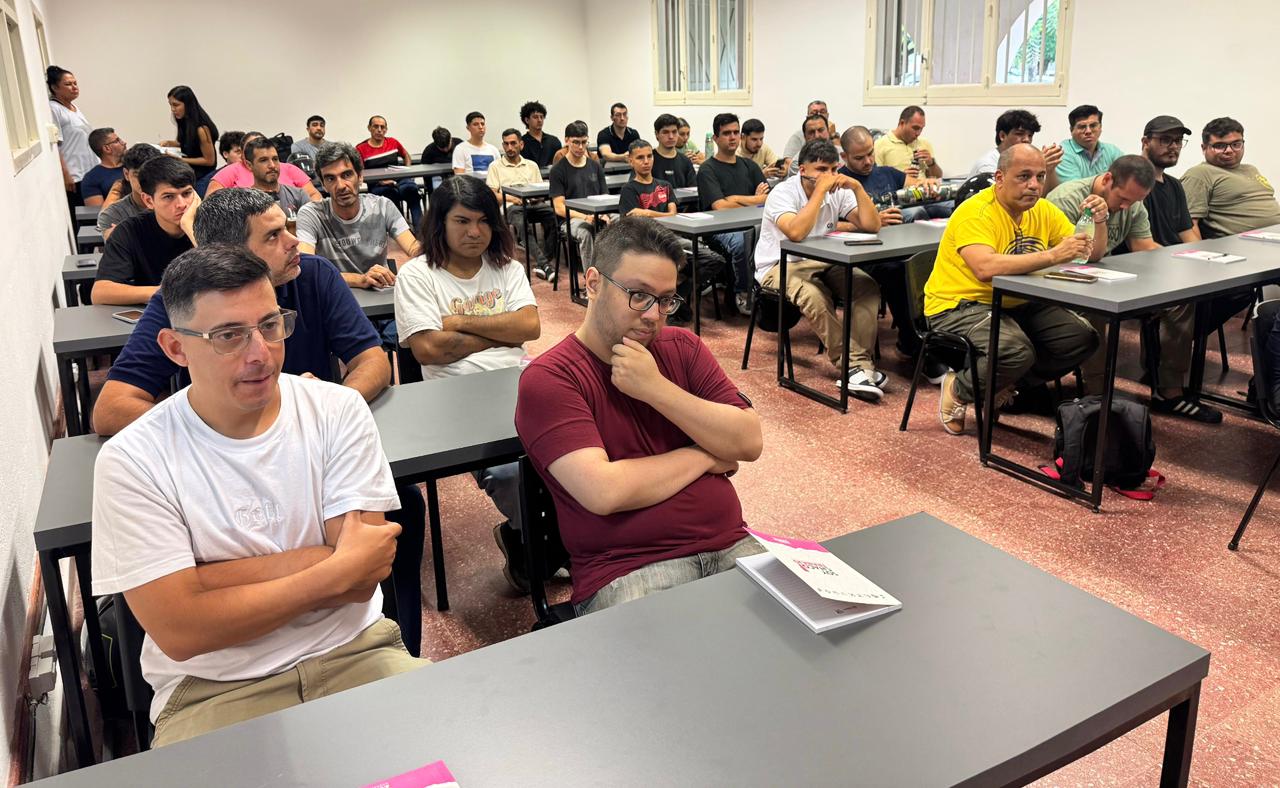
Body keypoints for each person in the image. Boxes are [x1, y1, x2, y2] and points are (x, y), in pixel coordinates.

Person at [91, 243, 424, 746]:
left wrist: (204, 581)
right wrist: (333, 566)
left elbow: (363, 578)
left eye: (270, 325)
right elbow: (182, 632)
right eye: (229, 336)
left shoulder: (337, 410)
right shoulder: (134, 459)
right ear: (175, 347)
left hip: (356, 652)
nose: (260, 353)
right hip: (213, 690)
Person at [515, 217, 764, 615]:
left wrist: (656, 389)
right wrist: (705, 455)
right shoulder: (551, 378)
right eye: (639, 295)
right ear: (593, 283)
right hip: (630, 571)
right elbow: (604, 491)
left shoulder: (683, 348)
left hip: (733, 545)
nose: (653, 315)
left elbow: (748, 442)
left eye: (665, 300)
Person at [395, 176, 539, 592]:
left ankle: (539, 540)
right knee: (511, 473)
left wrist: (458, 322)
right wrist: (502, 333)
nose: (475, 232)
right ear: (439, 224)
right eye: (462, 221)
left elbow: (529, 326)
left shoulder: (506, 267)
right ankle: (537, 540)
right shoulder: (418, 275)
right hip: (454, 398)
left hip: (516, 382)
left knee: (580, 448)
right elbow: (429, 349)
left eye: (484, 221)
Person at [924, 144, 1100, 435]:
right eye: (1024, 176)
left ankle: (1001, 385)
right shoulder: (976, 211)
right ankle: (959, 388)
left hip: (1017, 301)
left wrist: (1098, 221)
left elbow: (1090, 253)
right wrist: (1053, 255)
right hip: (959, 304)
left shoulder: (1042, 209)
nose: (1034, 185)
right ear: (1000, 178)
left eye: (1040, 177)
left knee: (1081, 338)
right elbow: (985, 268)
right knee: (1015, 351)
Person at [754, 139, 885, 399]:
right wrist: (819, 192)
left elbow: (872, 225)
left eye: (833, 169)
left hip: (823, 261)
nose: (829, 176)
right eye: (822, 170)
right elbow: (796, 233)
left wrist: (857, 187)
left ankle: (860, 366)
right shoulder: (782, 193)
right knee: (814, 296)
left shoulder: (840, 190)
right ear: (803, 170)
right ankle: (853, 366)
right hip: (780, 265)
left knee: (865, 287)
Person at [837, 125, 946, 381]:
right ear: (844, 156)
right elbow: (829, 224)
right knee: (898, 273)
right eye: (859, 157)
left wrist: (927, 183)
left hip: (896, 248)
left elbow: (917, 185)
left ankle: (931, 342)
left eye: (870, 154)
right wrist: (870, 222)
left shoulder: (886, 173)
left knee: (928, 266)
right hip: (862, 256)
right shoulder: (841, 182)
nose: (867, 162)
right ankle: (918, 347)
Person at [297, 141, 420, 289]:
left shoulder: (382, 206)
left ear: (360, 176)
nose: (341, 186)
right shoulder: (311, 215)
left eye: (347, 175)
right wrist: (360, 280)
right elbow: (306, 268)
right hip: (334, 294)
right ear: (323, 185)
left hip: (379, 294)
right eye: (330, 178)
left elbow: (413, 248)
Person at [92, 157, 196, 306]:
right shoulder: (129, 231)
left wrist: (192, 230)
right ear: (149, 201)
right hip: (154, 311)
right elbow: (100, 293)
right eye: (168, 196)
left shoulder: (210, 223)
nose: (181, 204)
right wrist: (167, 292)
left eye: (186, 194)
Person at [697, 112, 766, 315]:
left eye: (736, 132)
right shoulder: (707, 169)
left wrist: (735, 198)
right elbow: (720, 206)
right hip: (719, 229)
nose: (733, 137)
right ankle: (742, 292)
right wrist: (754, 199)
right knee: (742, 241)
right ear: (716, 138)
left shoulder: (750, 166)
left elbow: (767, 199)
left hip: (752, 223)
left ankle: (768, 292)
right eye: (727, 133)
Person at [1182, 117, 1280, 238]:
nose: (1229, 150)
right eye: (1219, 146)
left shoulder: (1251, 169)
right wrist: (1197, 249)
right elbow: (1188, 224)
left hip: (1273, 239)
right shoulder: (1200, 174)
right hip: (1246, 244)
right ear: (1204, 148)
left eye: (1236, 144)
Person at [487, 128, 557, 278]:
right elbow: (492, 194)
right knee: (522, 224)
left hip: (533, 204)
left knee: (554, 216)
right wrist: (512, 198)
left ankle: (543, 262)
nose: (509, 148)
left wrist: (536, 198)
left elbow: (540, 190)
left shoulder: (531, 165)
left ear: (521, 144)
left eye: (513, 143)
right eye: (506, 144)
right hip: (511, 206)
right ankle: (545, 265)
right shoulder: (495, 166)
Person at [549, 121, 609, 269]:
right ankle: (591, 277)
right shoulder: (558, 170)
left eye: (584, 142)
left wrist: (604, 215)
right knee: (586, 231)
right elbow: (559, 208)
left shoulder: (595, 166)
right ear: (567, 141)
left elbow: (605, 197)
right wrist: (585, 217)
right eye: (576, 142)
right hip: (571, 219)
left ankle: (615, 274)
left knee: (622, 221)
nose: (581, 147)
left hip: (596, 214)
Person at [970, 109, 1064, 192]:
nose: (1027, 140)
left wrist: (1049, 169)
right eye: (1019, 134)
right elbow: (1008, 198)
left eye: (1030, 135)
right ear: (1002, 136)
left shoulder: (1026, 160)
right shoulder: (988, 165)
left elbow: (1052, 195)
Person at [205, 132, 320, 199]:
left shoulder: (289, 169)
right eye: (252, 146)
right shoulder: (229, 171)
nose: (271, 165)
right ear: (243, 152)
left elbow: (314, 195)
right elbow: (210, 205)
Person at [47, 66, 97, 217]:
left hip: (89, 171)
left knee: (95, 215)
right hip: (75, 176)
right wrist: (66, 174)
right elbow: (55, 145)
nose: (74, 87)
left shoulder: (73, 107)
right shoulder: (54, 108)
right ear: (55, 88)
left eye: (75, 83)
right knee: (83, 217)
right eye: (68, 84)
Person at [357, 115, 422, 225]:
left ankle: (421, 231)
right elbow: (360, 173)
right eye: (376, 126)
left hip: (399, 180)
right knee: (391, 195)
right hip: (378, 185)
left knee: (412, 190)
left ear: (386, 129)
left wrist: (408, 171)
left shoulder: (393, 142)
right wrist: (380, 181)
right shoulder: (360, 148)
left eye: (382, 127)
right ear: (369, 128)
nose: (379, 130)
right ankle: (403, 229)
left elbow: (406, 155)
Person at [97, 144, 163, 238]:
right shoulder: (112, 215)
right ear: (126, 174)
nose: (144, 181)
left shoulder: (176, 204)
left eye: (151, 174)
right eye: (137, 175)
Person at [242, 135, 313, 215]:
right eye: (263, 160)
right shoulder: (243, 202)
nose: (272, 165)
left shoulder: (298, 195)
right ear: (249, 165)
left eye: (275, 159)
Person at [161, 86, 219, 180]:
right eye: (170, 105)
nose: (172, 109)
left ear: (187, 105)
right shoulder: (184, 122)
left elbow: (209, 161)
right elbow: (188, 144)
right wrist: (169, 143)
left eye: (176, 105)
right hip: (189, 171)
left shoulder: (201, 129)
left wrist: (180, 160)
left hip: (203, 175)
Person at [1055, 105, 1124, 183]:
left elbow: (1128, 176)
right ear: (1071, 130)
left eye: (1093, 125)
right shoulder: (1062, 153)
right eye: (1082, 127)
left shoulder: (1111, 151)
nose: (1088, 131)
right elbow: (1075, 188)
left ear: (1100, 127)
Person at [875, 105, 942, 179]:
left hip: (923, 186)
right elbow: (876, 179)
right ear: (902, 123)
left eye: (921, 129)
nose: (918, 133)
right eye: (915, 128)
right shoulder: (880, 144)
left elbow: (938, 177)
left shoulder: (924, 144)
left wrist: (931, 163)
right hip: (898, 186)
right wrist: (900, 178)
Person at [620, 140, 676, 218]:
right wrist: (666, 215)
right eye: (640, 157)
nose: (646, 162)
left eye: (649, 156)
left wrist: (648, 213)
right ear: (631, 161)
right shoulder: (628, 189)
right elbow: (633, 221)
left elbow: (673, 215)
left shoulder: (666, 186)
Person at [82, 128, 127, 206]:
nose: (124, 142)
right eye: (117, 141)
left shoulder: (133, 166)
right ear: (107, 148)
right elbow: (98, 212)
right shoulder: (91, 178)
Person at [652, 114, 697, 188]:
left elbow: (693, 189)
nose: (671, 136)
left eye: (674, 132)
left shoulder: (686, 161)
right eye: (665, 132)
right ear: (657, 134)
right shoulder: (649, 159)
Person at [785, 113, 835, 177]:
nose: (817, 136)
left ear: (828, 132)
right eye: (811, 132)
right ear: (805, 137)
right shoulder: (797, 164)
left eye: (821, 130)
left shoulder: (841, 154)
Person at [452, 111, 500, 177]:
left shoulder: (493, 150)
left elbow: (500, 174)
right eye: (476, 124)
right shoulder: (460, 149)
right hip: (471, 183)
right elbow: (460, 178)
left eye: (482, 124)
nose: (480, 127)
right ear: (468, 128)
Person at [519, 100, 562, 168]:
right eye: (535, 117)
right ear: (527, 120)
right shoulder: (521, 143)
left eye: (541, 117)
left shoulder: (554, 141)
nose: (539, 120)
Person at [290, 115, 326, 185]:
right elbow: (302, 172)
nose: (319, 128)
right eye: (315, 125)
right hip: (310, 185)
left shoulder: (333, 146)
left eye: (322, 125)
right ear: (308, 129)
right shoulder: (297, 146)